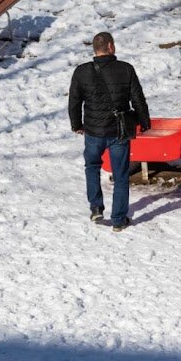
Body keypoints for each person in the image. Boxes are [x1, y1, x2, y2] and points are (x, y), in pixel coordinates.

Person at [68, 31, 151, 232]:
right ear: (111, 47)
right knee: (121, 175)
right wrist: (144, 122)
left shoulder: (81, 71)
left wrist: (76, 124)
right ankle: (118, 219)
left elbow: (74, 101)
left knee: (92, 167)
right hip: (118, 132)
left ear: (95, 49)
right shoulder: (125, 69)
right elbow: (138, 99)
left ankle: (96, 207)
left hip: (93, 132)